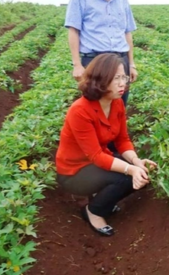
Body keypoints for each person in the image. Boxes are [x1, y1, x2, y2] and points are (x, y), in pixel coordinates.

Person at [56, 54, 156, 236]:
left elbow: (122, 140)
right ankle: (94, 211)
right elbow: (96, 156)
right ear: (101, 79)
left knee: (141, 172)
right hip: (74, 172)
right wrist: (130, 169)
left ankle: (103, 202)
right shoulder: (80, 111)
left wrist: (136, 161)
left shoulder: (116, 104)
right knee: (126, 178)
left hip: (97, 161)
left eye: (124, 77)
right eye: (116, 78)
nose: (122, 83)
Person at [65, 0, 138, 104]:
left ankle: (117, 129)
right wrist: (77, 64)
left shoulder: (122, 0)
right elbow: (73, 31)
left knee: (119, 103)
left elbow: (127, 34)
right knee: (94, 105)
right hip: (94, 61)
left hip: (120, 60)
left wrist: (131, 65)